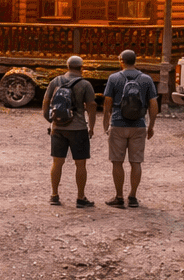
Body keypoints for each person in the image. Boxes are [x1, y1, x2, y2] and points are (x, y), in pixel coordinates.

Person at [102, 49, 159, 208]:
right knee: (136, 162)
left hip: (118, 124)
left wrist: (106, 121)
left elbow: (107, 102)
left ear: (121, 60)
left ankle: (119, 197)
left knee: (117, 162)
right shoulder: (146, 79)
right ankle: (133, 197)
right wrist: (151, 126)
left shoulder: (113, 78)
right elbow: (153, 105)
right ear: (136, 61)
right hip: (139, 125)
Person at [42, 55, 98, 208]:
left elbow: (46, 101)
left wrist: (50, 120)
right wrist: (91, 127)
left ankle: (54, 195)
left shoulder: (56, 81)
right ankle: (80, 197)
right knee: (80, 164)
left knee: (57, 162)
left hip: (58, 128)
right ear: (81, 68)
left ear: (67, 67)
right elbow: (91, 106)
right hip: (78, 128)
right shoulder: (85, 84)